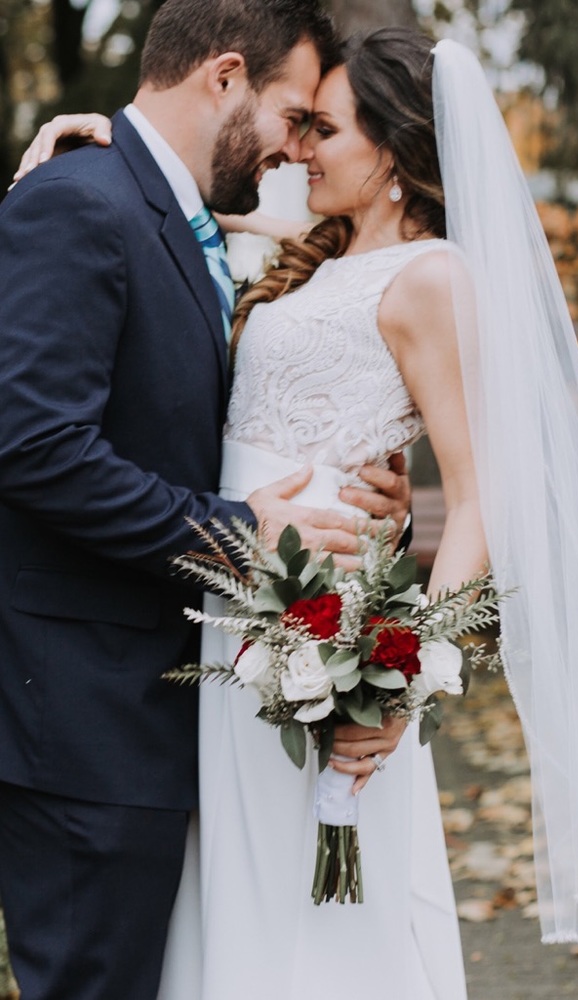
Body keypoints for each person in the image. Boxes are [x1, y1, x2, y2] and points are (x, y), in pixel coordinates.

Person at [22, 25, 578, 1000]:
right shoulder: (314, 254)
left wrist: (403, 675)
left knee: (323, 933)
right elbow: (168, 215)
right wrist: (95, 138)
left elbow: (485, 489)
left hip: (321, 641)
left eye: (324, 129)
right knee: (230, 908)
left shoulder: (435, 278)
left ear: (395, 147)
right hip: (228, 624)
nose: (299, 150)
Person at [0, 4, 411, 1000]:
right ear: (226, 78)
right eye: (291, 114)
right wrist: (243, 537)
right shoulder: (81, 201)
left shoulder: (177, 215)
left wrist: (351, 484)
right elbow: (35, 445)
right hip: (80, 723)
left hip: (160, 715)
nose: (295, 147)